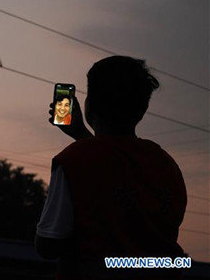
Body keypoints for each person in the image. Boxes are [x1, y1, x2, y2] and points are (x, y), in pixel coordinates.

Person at [35, 56, 187, 280]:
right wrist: (82, 137)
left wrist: (83, 140)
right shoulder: (165, 163)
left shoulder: (73, 161)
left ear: (89, 107)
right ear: (142, 108)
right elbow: (115, 167)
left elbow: (48, 245)